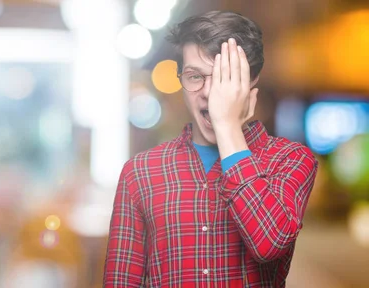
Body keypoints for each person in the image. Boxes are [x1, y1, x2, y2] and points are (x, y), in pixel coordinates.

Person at [103, 11, 318, 287]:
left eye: (222, 78)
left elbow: (269, 244)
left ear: (250, 81)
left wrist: (227, 127)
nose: (207, 92)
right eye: (194, 76)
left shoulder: (291, 160)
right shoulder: (140, 172)